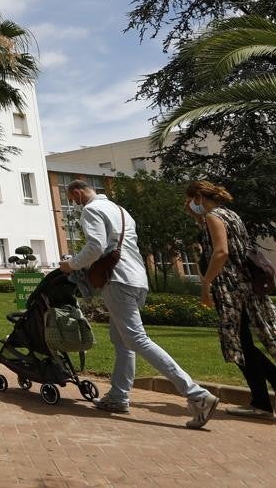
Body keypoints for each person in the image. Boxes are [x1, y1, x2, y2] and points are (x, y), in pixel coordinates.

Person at [60, 179, 219, 428]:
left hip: (117, 280)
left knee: (136, 339)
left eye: (72, 199)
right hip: (137, 279)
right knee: (122, 341)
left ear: (78, 193)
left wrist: (71, 264)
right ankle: (118, 396)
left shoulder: (92, 210)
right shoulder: (121, 211)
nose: (74, 204)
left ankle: (196, 395)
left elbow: (95, 247)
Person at [186, 180, 276, 418]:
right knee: (243, 342)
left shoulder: (213, 217)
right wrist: (194, 215)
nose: (189, 204)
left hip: (229, 286)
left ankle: (268, 396)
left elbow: (221, 251)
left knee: (237, 343)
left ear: (199, 196)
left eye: (190, 200)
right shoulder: (230, 215)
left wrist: (206, 283)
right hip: (246, 284)